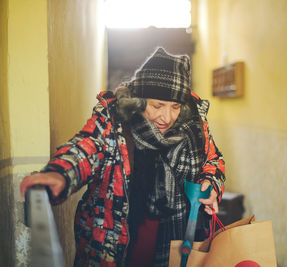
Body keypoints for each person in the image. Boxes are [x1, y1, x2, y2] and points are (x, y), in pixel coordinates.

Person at [20, 47, 226, 267]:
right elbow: (87, 146)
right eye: (158, 105)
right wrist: (60, 173)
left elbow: (213, 160)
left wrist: (211, 182)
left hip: (176, 239)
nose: (167, 117)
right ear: (140, 100)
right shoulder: (114, 121)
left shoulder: (193, 126)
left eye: (175, 107)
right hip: (116, 241)